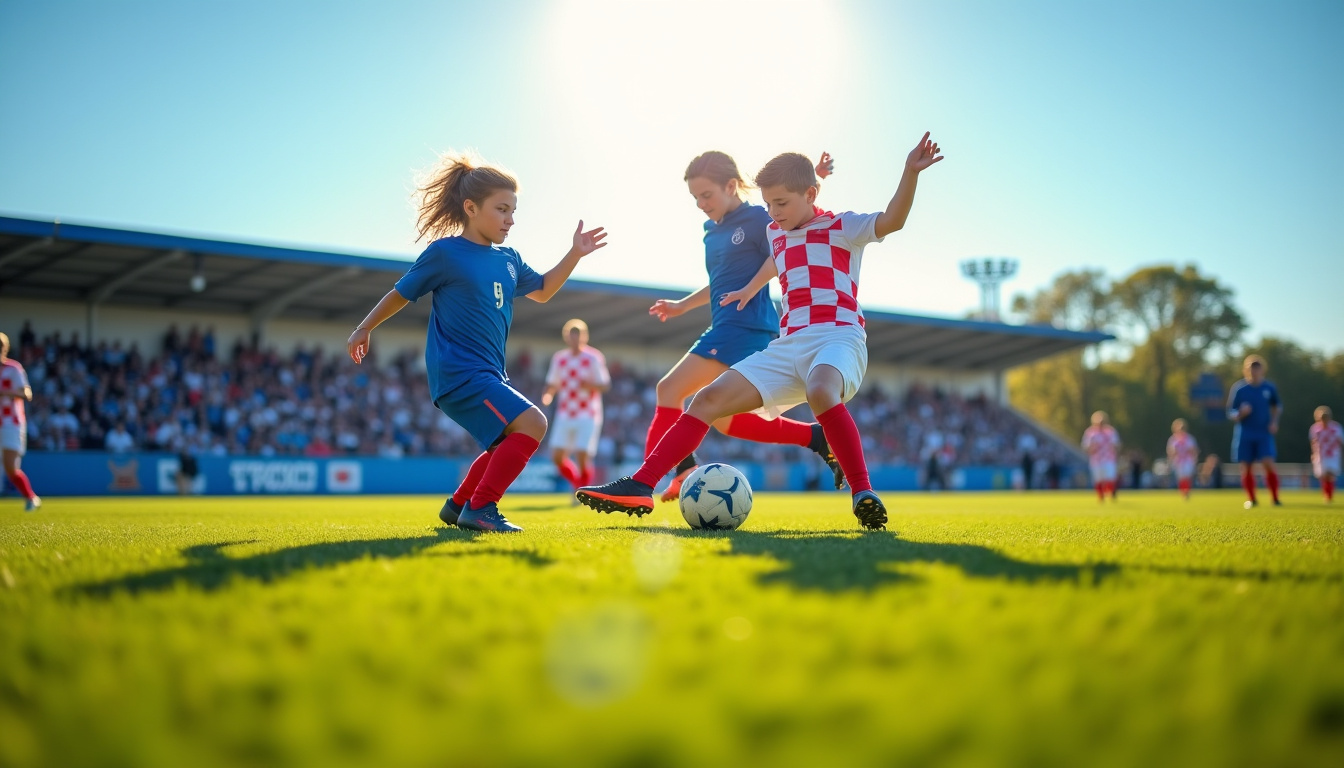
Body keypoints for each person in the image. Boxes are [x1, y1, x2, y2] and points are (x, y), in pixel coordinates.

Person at [578, 133, 945, 530]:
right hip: (788, 345)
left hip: (838, 336)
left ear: (810, 193)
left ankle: (863, 492)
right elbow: (775, 262)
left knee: (820, 391)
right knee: (704, 400)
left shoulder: (843, 226)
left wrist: (910, 173)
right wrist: (748, 288)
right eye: (769, 204)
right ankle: (641, 484)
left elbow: (893, 220)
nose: (772, 212)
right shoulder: (774, 230)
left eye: (781, 203)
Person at [347, 152, 607, 532]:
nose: (510, 219)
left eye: (513, 211)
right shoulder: (445, 253)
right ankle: (481, 507)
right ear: (470, 208)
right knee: (534, 423)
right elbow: (401, 293)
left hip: (489, 375)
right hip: (459, 373)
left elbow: (544, 290)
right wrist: (364, 327)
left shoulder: (509, 258)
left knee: (507, 441)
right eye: (501, 209)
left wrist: (575, 253)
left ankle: (458, 505)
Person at [642, 150, 845, 502]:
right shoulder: (711, 231)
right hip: (725, 324)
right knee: (724, 420)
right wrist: (682, 305)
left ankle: (651, 479)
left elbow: (791, 231)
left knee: (669, 390)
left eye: (707, 195)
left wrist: (813, 178)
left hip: (747, 325)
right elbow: (719, 281)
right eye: (695, 197)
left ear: (731, 186)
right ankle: (815, 437)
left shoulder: (757, 219)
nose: (701, 204)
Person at [541, 319, 610, 496]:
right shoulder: (560, 358)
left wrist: (590, 385)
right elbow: (552, 383)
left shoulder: (593, 357)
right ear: (566, 337)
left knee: (582, 454)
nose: (575, 338)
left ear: (585, 336)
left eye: (578, 335)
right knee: (557, 456)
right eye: (572, 335)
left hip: (588, 413)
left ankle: (581, 491)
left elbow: (605, 385)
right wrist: (547, 396)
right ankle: (576, 483)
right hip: (565, 412)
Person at [1227, 355, 1281, 509]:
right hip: (1245, 433)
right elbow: (1230, 412)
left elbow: (1277, 406)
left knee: (1268, 463)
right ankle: (1251, 499)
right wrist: (1240, 413)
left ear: (1262, 370)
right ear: (1246, 370)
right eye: (1251, 368)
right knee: (1246, 466)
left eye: (1257, 368)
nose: (1254, 371)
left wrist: (1274, 421)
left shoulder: (1269, 387)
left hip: (1263, 433)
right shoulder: (1240, 389)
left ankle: (1275, 498)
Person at [0, 333, 40, 510]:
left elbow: (27, 394)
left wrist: (6, 393)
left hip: (11, 423)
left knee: (10, 467)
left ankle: (31, 498)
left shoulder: (13, 368)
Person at [1081, 411, 1120, 502]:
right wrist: (1092, 448)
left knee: (1109, 477)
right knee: (1098, 479)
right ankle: (1101, 495)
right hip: (1096, 459)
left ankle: (1111, 491)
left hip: (1108, 458)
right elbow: (1086, 446)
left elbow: (1116, 444)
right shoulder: (1090, 433)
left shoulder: (1110, 432)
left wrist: (1113, 449)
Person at [1309, 406, 1341, 503]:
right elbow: (1313, 442)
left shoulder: (1336, 428)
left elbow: (1340, 441)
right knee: (1323, 475)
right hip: (1320, 455)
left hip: (1333, 455)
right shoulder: (1315, 429)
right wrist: (1313, 454)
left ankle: (1329, 495)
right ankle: (1326, 494)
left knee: (1330, 474)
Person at [1166, 418, 1199, 500]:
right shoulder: (1173, 439)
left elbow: (1194, 450)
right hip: (1178, 461)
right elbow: (1170, 451)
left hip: (1187, 460)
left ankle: (1186, 491)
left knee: (1187, 476)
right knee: (1181, 478)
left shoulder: (1189, 439)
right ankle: (1183, 492)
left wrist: (1194, 458)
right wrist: (1171, 457)